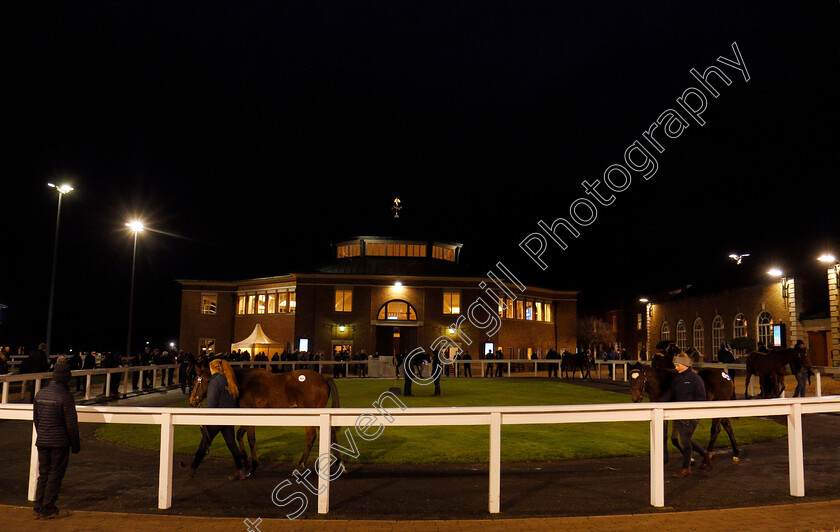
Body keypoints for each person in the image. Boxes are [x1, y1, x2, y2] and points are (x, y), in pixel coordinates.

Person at [180, 359, 248, 480]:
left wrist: (204, 420)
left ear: (214, 369)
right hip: (228, 419)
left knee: (204, 444)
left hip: (216, 419)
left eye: (210, 369)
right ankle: (241, 470)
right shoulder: (230, 380)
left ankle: (192, 469)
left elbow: (211, 403)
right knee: (232, 445)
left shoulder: (215, 381)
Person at [32, 358, 80, 519]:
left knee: (43, 474)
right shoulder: (66, 396)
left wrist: (43, 434)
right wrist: (75, 445)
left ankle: (38, 505)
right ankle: (48, 508)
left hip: (43, 441)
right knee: (54, 475)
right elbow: (71, 425)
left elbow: (36, 420)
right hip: (59, 443)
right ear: (66, 378)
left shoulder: (40, 393)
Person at [660, 353, 713, 477]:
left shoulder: (696, 379)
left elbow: (701, 398)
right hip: (680, 413)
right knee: (686, 439)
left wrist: (691, 410)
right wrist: (657, 403)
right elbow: (669, 394)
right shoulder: (677, 379)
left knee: (685, 440)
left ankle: (686, 468)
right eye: (675, 365)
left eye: (677, 365)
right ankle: (706, 455)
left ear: (685, 364)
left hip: (692, 414)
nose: (676, 368)